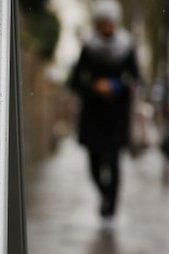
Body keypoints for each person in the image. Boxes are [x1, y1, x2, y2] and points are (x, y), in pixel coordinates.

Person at [69, 0, 140, 224]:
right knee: (94, 165)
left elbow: (135, 78)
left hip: (116, 116)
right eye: (102, 23)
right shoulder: (89, 48)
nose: (106, 27)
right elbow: (74, 80)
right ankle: (104, 196)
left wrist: (116, 86)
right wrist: (93, 87)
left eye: (109, 23)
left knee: (114, 162)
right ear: (97, 24)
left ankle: (110, 209)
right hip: (93, 115)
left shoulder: (126, 47)